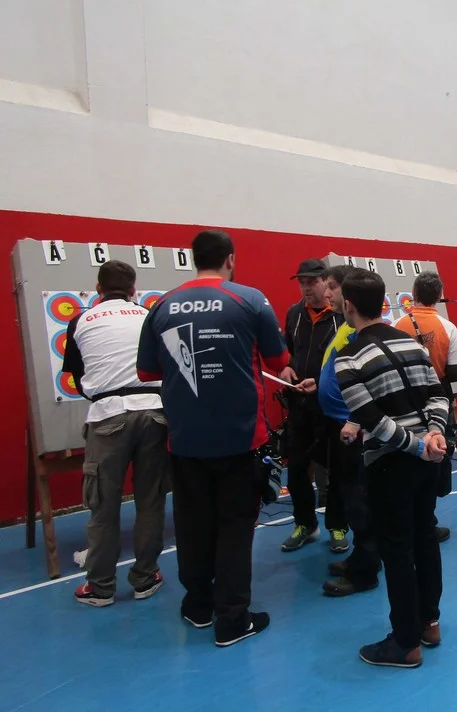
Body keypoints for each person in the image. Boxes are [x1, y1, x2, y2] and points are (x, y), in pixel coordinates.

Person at [137, 230, 288, 647]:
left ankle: (198, 606)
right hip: (241, 438)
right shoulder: (250, 299)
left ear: (193, 259)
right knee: (236, 526)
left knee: (192, 524)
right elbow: (279, 358)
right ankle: (233, 619)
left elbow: (147, 372)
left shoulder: (162, 306)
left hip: (185, 439)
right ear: (230, 259)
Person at [334, 269, 449, 669]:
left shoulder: (348, 357)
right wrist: (434, 434)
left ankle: (405, 642)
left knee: (397, 551)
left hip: (392, 465)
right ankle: (429, 623)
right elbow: (438, 395)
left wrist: (417, 446)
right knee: (424, 538)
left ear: (349, 305)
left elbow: (373, 419)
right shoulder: (410, 342)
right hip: (426, 460)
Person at [63, 261, 169, 607]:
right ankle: (146, 577)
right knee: (150, 500)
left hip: (106, 414)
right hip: (154, 411)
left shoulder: (80, 320)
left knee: (103, 505)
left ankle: (100, 586)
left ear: (98, 289)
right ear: (134, 290)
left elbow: (78, 377)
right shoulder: (149, 316)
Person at [312, 264, 381, 596]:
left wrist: (355, 420)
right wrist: (319, 383)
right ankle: (362, 557)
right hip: (343, 426)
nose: (326, 293)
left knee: (360, 500)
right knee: (352, 498)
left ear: (348, 294)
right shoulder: (346, 327)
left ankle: (365, 571)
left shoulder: (359, 333)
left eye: (332, 287)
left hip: (355, 429)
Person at [393, 270, 457, 542]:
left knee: (406, 457)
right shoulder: (447, 327)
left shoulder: (397, 324)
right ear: (439, 296)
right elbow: (456, 373)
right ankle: (427, 522)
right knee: (434, 457)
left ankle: (405, 521)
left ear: (413, 294)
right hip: (436, 401)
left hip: (403, 400)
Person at [278, 259, 344, 553]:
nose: (305, 287)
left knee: (337, 470)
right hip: (299, 406)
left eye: (311, 282)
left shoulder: (341, 316)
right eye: (301, 282)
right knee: (296, 470)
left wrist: (321, 382)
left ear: (325, 282)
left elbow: (348, 360)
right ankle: (305, 524)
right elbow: (288, 351)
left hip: (331, 406)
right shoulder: (294, 314)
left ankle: (338, 525)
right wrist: (285, 367)